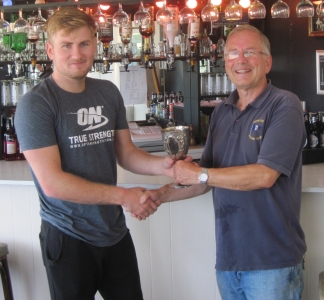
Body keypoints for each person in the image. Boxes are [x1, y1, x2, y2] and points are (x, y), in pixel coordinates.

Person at [14, 7, 177, 300]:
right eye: (66, 45)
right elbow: (53, 183)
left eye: (84, 43)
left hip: (113, 231)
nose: (77, 53)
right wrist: (124, 196)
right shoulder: (36, 105)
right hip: (68, 235)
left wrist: (165, 166)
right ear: (50, 50)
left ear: (95, 44)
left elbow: (126, 154)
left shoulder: (107, 92)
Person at [140, 24, 307, 300]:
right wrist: (158, 196)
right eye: (232, 53)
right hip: (228, 262)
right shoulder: (222, 112)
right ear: (224, 62)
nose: (240, 60)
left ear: (267, 62)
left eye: (250, 52)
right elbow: (203, 180)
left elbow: (264, 176)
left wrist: (200, 175)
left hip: (273, 264)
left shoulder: (284, 105)